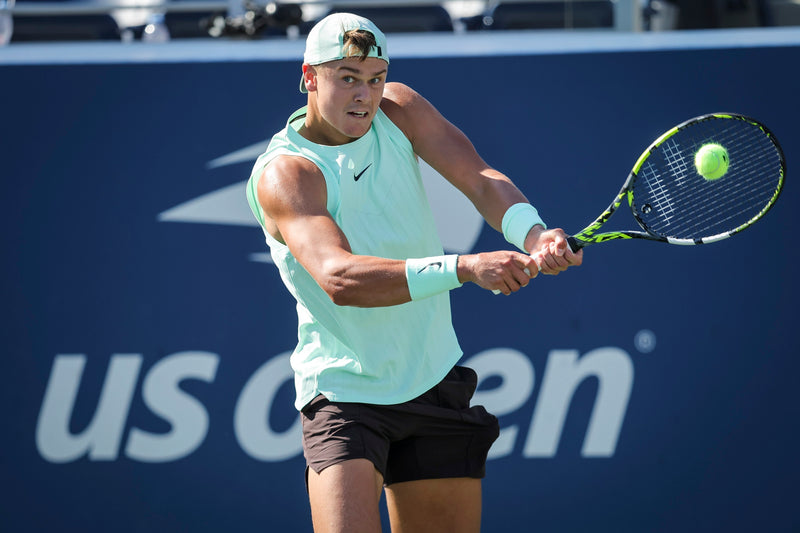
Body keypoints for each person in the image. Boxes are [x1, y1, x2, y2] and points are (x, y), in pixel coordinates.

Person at [246, 12, 582, 533]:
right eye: (348, 79)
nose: (366, 95)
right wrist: (465, 267)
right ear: (309, 77)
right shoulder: (287, 172)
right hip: (344, 393)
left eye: (375, 78)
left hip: (432, 379)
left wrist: (533, 233)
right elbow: (339, 278)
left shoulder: (399, 110)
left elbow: (480, 178)